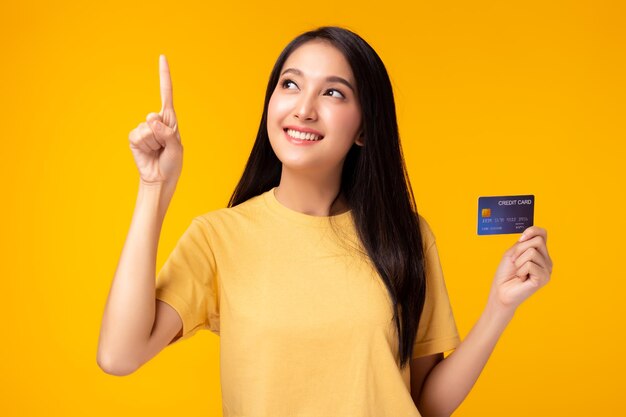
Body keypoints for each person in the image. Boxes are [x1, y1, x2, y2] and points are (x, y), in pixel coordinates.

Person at [97, 26, 554, 417]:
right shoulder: (219, 238)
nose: (304, 108)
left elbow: (425, 403)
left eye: (333, 92)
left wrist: (500, 306)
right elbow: (119, 355)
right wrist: (154, 188)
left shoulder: (406, 236)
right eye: (290, 85)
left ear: (363, 128)